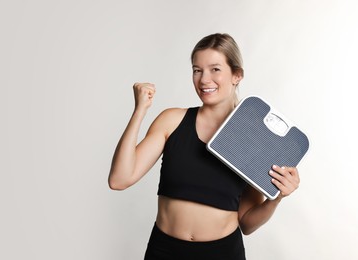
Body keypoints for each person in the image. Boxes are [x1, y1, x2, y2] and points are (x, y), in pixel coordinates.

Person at [108, 33, 300, 260]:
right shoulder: (172, 120)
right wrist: (140, 110)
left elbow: (247, 223)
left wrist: (276, 198)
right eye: (197, 70)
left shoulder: (253, 137)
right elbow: (119, 179)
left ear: (237, 75)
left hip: (222, 253)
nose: (204, 79)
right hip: (164, 250)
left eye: (215, 69)